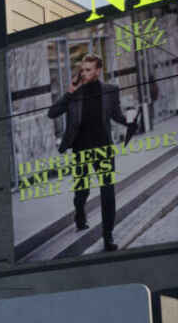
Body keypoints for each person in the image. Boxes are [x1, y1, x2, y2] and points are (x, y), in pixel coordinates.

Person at [47, 53, 134, 251]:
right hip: (81, 149)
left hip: (103, 148)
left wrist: (130, 120)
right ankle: (79, 211)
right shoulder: (75, 93)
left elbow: (116, 115)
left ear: (98, 70)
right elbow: (52, 113)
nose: (84, 73)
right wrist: (69, 92)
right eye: (82, 70)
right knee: (82, 190)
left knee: (107, 193)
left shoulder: (110, 90)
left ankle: (108, 235)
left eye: (88, 69)